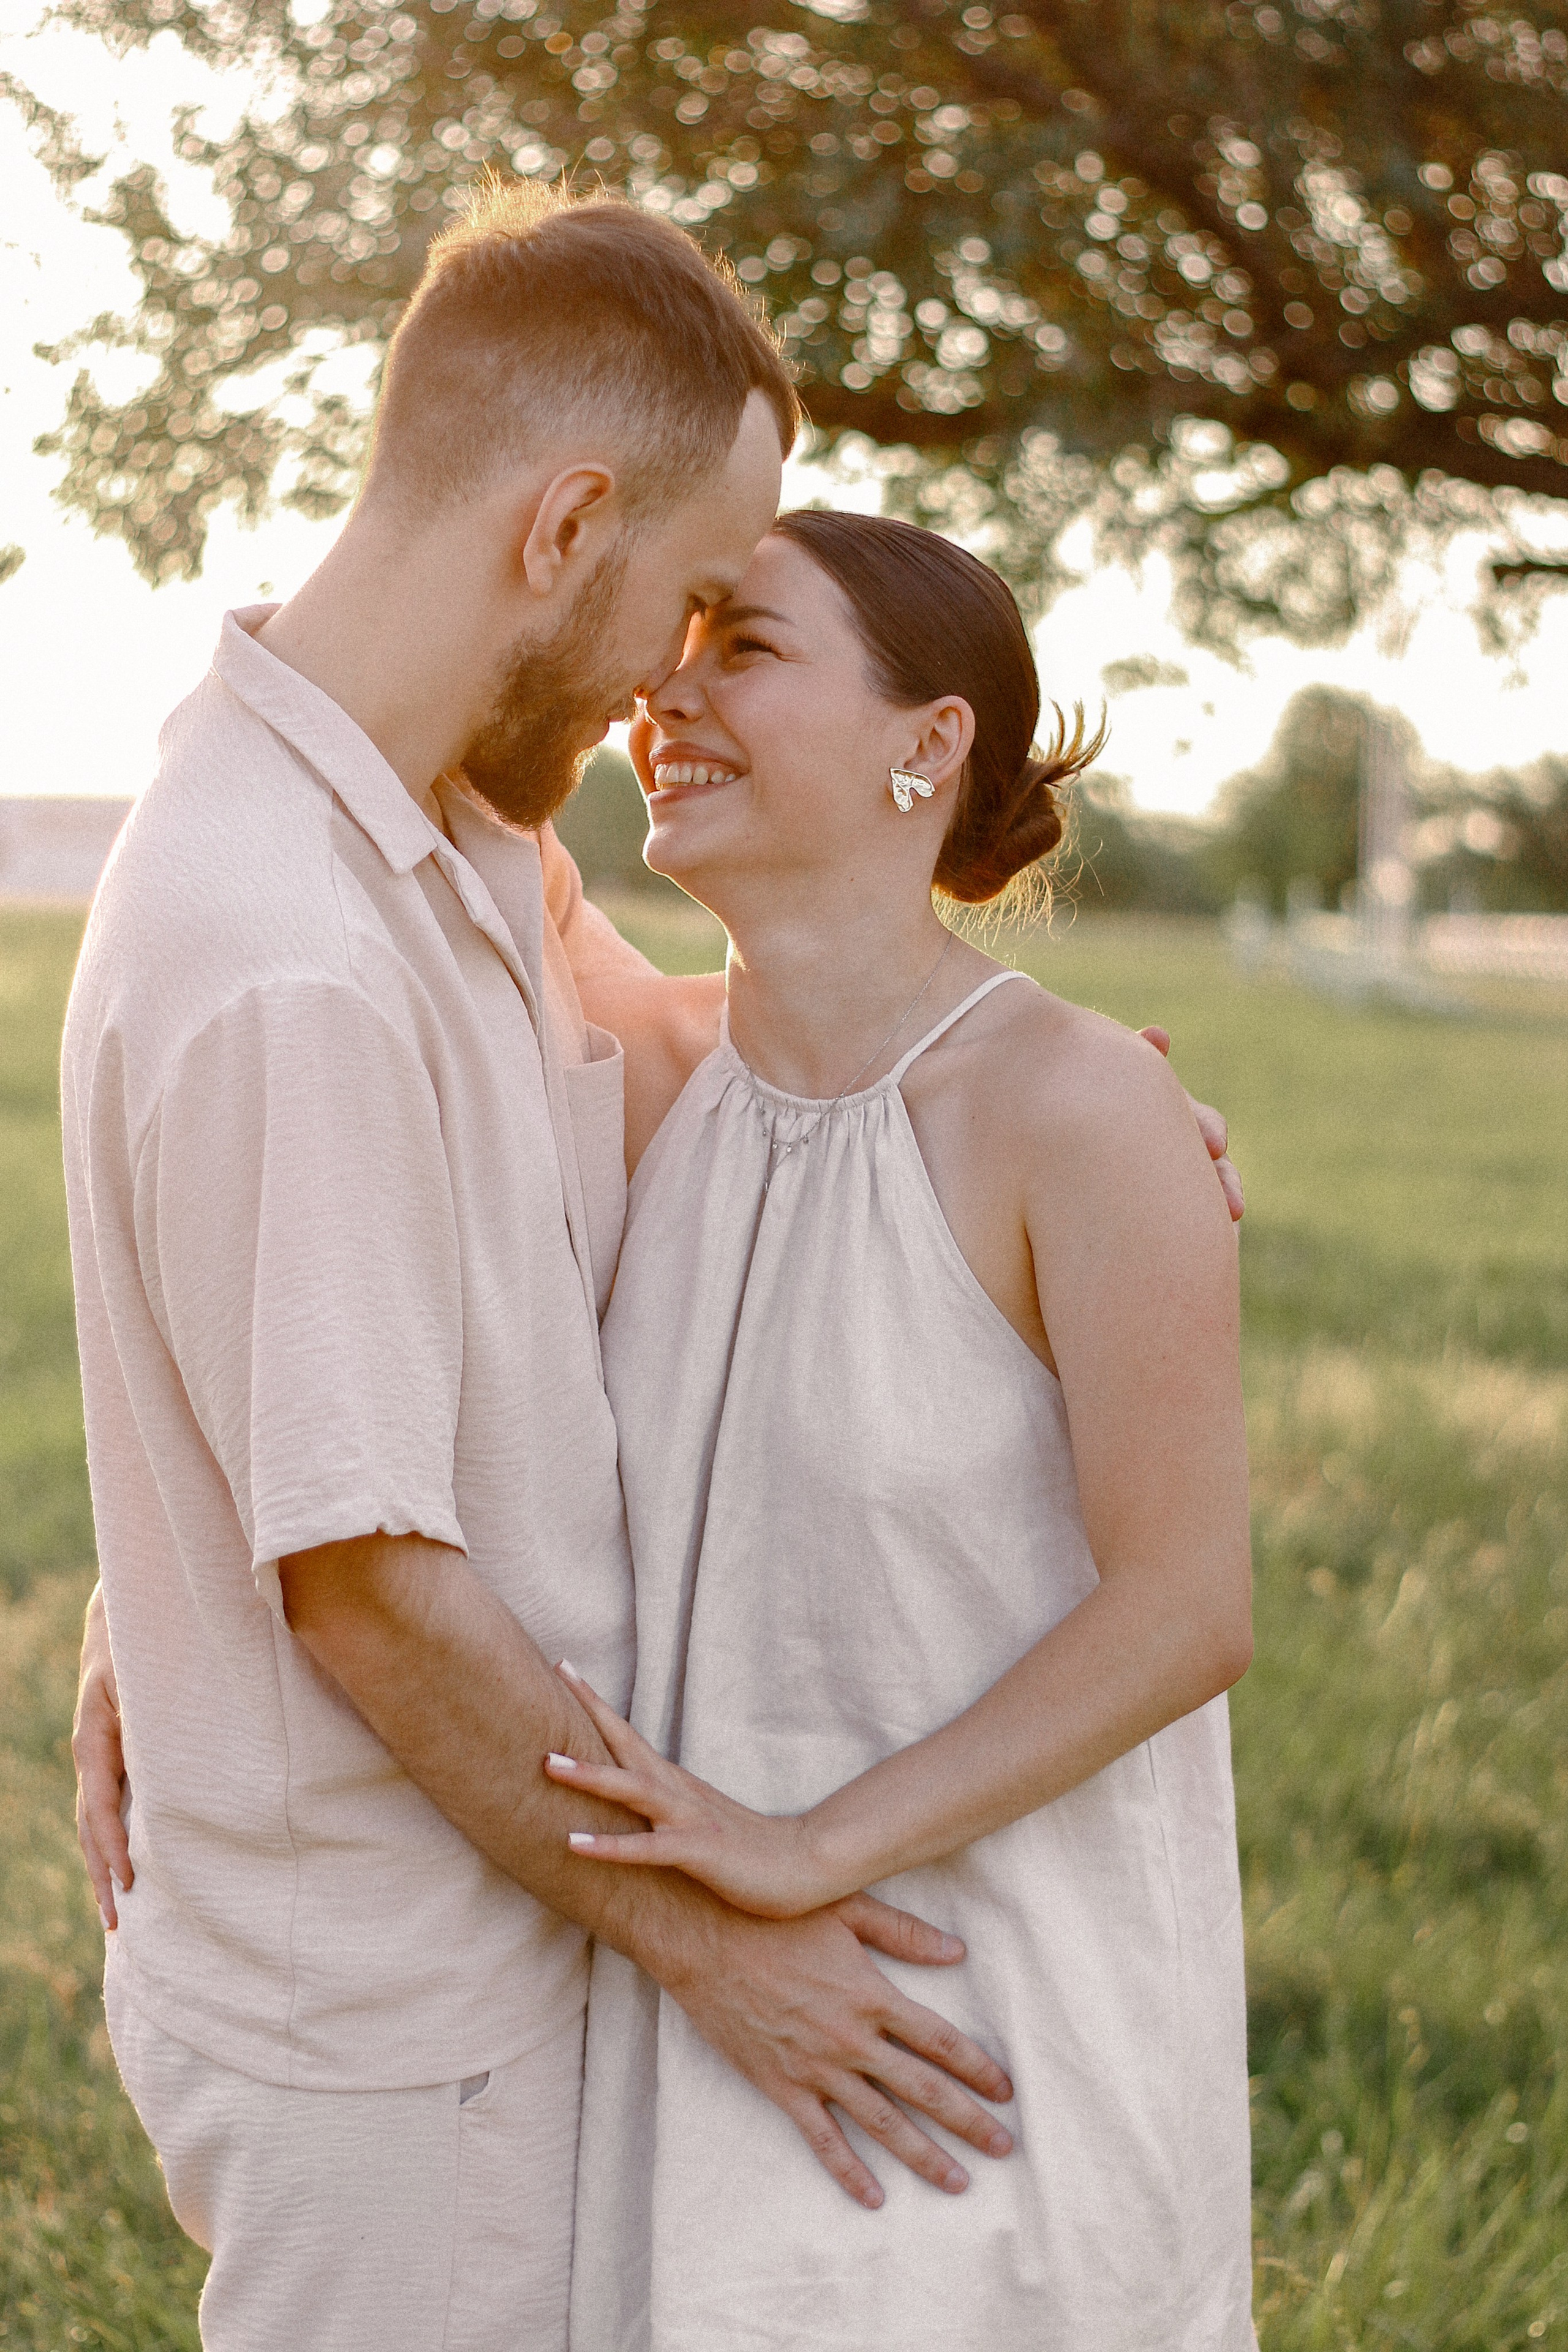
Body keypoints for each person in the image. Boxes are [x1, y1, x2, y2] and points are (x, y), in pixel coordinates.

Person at [59, 186, 1024, 2352]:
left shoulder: (449, 836)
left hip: (486, 1958)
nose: (668, 681)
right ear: (562, 523)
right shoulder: (285, 951)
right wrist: (728, 1955)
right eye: (685, 599)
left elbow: (665, 1044)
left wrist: (1055, 1114)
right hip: (400, 2041)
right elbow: (372, 1592)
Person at [548, 512, 1257, 2350]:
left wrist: (806, 1851)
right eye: (670, 647)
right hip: (700, 2013)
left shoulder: (1075, 1102)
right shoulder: (643, 1073)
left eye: (745, 649)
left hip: (982, 2023)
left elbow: (1186, 1607)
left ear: (924, 746)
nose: (664, 692)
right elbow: (418, 761)